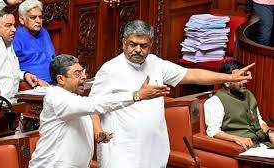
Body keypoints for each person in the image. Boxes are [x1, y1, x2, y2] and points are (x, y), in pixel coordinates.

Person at [89, 20, 255, 168]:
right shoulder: (110, 70)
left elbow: (193, 75)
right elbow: (93, 106)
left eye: (143, 45)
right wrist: (98, 131)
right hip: (122, 150)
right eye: (133, 44)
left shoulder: (156, 63)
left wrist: (230, 77)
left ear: (151, 44)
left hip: (153, 147)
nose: (138, 50)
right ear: (123, 43)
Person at [28, 54, 170, 168]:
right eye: (77, 74)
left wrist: (97, 132)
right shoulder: (57, 98)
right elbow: (95, 104)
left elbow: (84, 116)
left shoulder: (73, 99)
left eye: (82, 71)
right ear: (61, 79)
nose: (84, 76)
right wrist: (136, 95)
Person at [204, 60, 274, 150]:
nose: (245, 81)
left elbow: (259, 120)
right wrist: (237, 139)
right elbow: (213, 131)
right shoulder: (215, 101)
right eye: (240, 78)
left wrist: (269, 132)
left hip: (264, 144)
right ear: (227, 82)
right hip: (246, 149)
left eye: (245, 76)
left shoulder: (248, 94)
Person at [0, 10, 40, 102]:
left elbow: (7, 71)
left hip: (10, 103)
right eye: (8, 25)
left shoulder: (7, 42)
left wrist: (24, 75)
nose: (14, 29)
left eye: (14, 25)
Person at [13, 0, 55, 84]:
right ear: (22, 20)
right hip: (32, 84)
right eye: (33, 17)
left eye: (40, 17)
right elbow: (11, 71)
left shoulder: (44, 32)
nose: (38, 21)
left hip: (54, 81)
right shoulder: (14, 37)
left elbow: (52, 58)